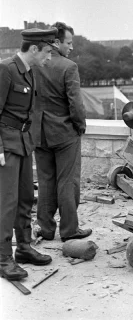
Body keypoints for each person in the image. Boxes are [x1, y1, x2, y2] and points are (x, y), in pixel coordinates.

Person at [0, 28, 57, 281]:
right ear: (34, 49)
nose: (49, 58)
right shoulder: (6, 69)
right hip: (7, 145)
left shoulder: (30, 72)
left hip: (23, 144)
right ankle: (3, 259)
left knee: (25, 198)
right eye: (47, 52)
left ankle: (23, 248)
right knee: (6, 203)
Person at [33, 22, 91, 242]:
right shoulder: (69, 67)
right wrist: (80, 125)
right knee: (67, 182)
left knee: (45, 182)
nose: (72, 47)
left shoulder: (35, 65)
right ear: (56, 42)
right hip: (65, 134)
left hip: (39, 134)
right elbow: (76, 104)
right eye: (69, 42)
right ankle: (69, 230)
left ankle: (46, 230)